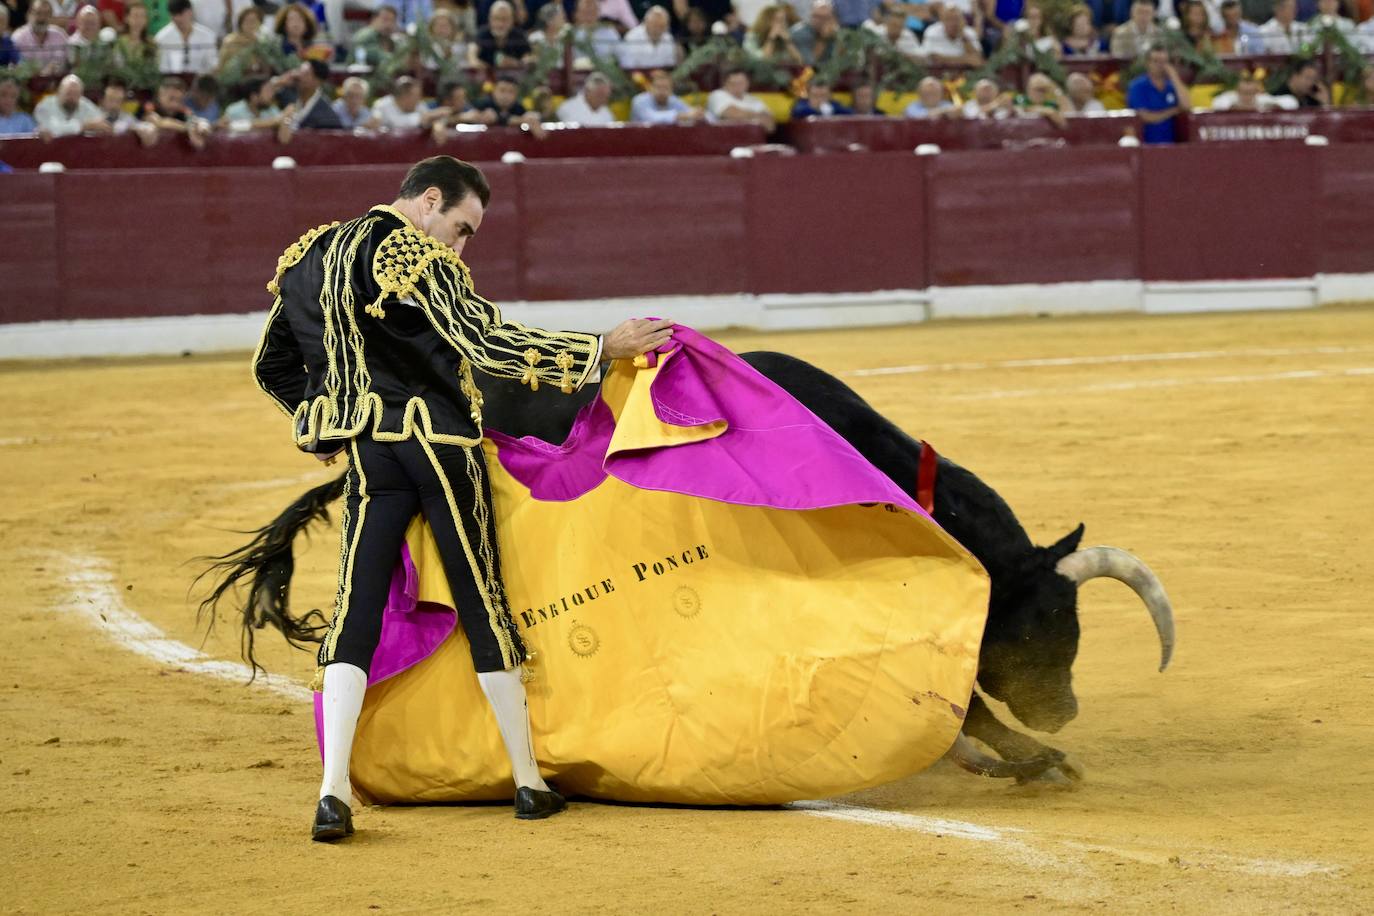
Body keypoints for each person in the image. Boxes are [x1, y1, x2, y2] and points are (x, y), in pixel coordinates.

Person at [251, 155, 675, 841]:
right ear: (427, 200)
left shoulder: (311, 256)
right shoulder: (421, 258)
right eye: (460, 227)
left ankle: (332, 796)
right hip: (441, 448)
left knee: (354, 607)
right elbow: (487, 342)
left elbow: (273, 364)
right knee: (482, 598)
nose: (459, 244)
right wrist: (600, 347)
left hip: (368, 452)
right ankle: (529, 783)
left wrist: (319, 420)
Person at [1126, 44, 1190, 143]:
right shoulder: (1137, 86)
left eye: (1164, 62)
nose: (1160, 65)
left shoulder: (1172, 86)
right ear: (1148, 63)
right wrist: (1174, 111)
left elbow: (1186, 106)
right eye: (1156, 61)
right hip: (1145, 144)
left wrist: (1174, 76)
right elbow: (1146, 116)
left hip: (1172, 144)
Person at [35, 73, 109, 136]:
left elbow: (100, 123)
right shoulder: (45, 106)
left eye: (76, 94)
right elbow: (52, 130)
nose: (72, 97)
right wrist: (83, 126)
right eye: (68, 93)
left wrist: (101, 128)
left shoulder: (86, 105)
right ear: (59, 92)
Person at [155, 0, 219, 72]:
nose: (177, 18)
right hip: (171, 80)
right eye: (174, 15)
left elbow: (212, 65)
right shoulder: (162, 37)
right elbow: (162, 68)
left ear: (190, 12)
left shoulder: (207, 36)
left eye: (181, 14)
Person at [706, 67, 775, 129]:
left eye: (741, 83)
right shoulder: (717, 95)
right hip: (725, 138)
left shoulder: (754, 100)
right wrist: (758, 116)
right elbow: (731, 114)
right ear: (725, 83)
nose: (737, 87)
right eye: (733, 83)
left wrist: (746, 116)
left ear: (747, 83)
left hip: (753, 138)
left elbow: (770, 127)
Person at [372, 75, 448, 129]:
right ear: (405, 96)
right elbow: (396, 123)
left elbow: (429, 119)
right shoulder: (382, 105)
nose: (419, 99)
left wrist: (437, 125)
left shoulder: (419, 105)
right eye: (416, 96)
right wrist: (429, 117)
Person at [628, 67, 702, 123]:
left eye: (665, 88)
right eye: (658, 87)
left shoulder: (673, 100)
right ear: (650, 88)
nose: (662, 91)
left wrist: (699, 114)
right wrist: (680, 116)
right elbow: (651, 118)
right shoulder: (639, 100)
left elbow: (690, 112)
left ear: (671, 90)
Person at [13, 0, 70, 73]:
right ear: (29, 14)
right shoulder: (19, 37)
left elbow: (69, 62)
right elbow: (16, 67)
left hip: (56, 81)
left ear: (51, 16)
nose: (42, 18)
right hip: (26, 81)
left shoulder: (60, 35)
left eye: (46, 14)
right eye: (38, 13)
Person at [472, 73, 542, 129]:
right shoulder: (482, 105)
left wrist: (532, 118)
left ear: (516, 94)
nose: (506, 96)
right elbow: (468, 115)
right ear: (494, 91)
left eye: (511, 92)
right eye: (502, 90)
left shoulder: (519, 108)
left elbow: (530, 118)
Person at [289, 58, 344, 128]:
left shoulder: (327, 116)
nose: (298, 76)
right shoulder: (289, 99)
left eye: (305, 74)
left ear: (317, 81)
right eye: (299, 71)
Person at [474, 0, 530, 66]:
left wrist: (517, 63)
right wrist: (485, 67)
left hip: (513, 74)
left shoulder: (519, 36)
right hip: (486, 75)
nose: (500, 24)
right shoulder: (482, 34)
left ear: (512, 20)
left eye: (504, 19)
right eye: (496, 18)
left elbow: (528, 58)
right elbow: (471, 56)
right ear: (490, 19)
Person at [1209, 69, 1297, 109]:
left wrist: (1276, 105)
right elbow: (1215, 103)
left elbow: (1292, 102)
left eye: (1250, 92)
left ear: (1256, 92)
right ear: (1237, 91)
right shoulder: (1230, 98)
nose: (1247, 96)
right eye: (1244, 92)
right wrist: (1233, 107)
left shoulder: (1263, 100)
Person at [790, 0, 839, 66]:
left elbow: (843, 62)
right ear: (811, 15)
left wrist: (838, 38)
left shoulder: (837, 33)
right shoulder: (800, 34)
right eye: (816, 16)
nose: (820, 21)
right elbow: (809, 64)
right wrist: (823, 39)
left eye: (825, 18)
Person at [115, 0, 159, 65]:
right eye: (135, 16)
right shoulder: (119, 43)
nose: (139, 20)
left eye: (142, 16)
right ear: (127, 18)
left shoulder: (152, 44)